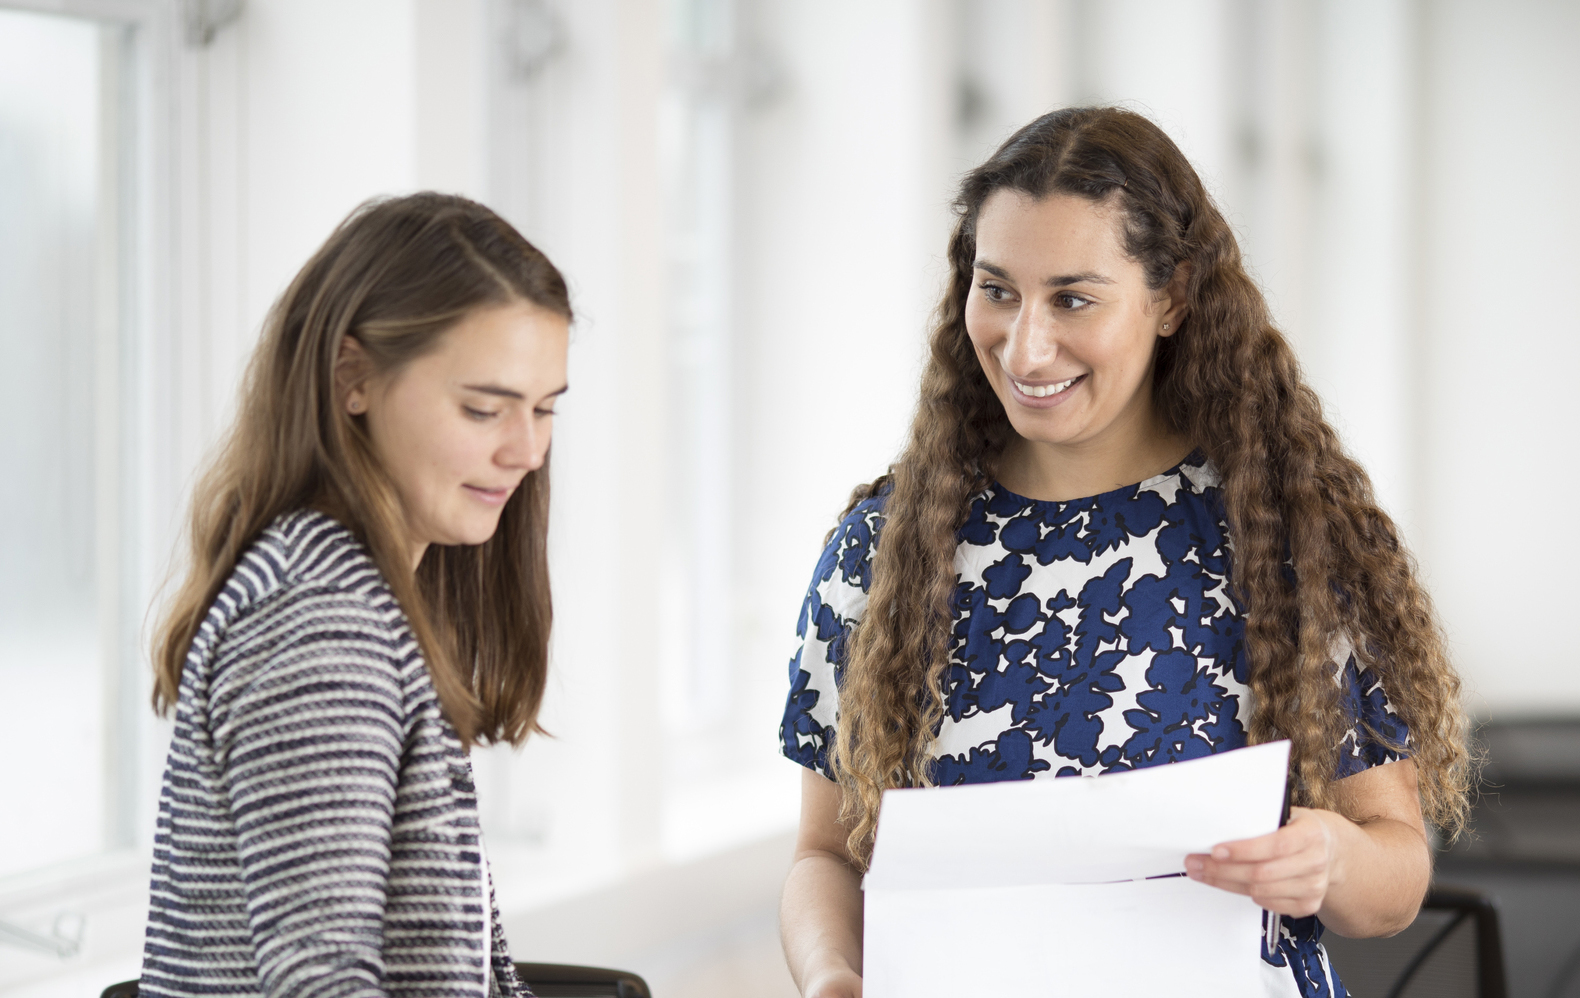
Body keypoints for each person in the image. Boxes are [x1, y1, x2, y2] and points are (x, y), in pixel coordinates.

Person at [777, 107, 1469, 998]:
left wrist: (1330, 857)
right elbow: (826, 854)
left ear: (1172, 297)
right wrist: (830, 974)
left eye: (1073, 298)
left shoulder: (1287, 539)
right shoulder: (881, 550)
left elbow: (1395, 876)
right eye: (998, 290)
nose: (1026, 345)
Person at [141, 193, 570, 998]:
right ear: (353, 378)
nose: (527, 451)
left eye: (544, 409)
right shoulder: (320, 623)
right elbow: (323, 982)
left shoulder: (361, 593)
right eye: (484, 408)